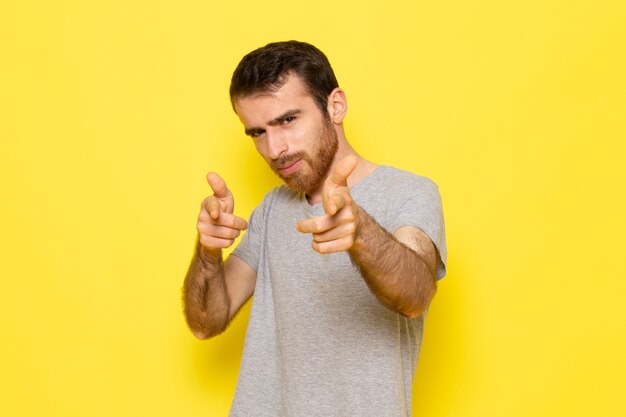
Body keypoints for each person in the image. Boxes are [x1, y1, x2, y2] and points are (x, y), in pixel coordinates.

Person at [183, 40, 447, 417]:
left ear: (335, 106)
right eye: (257, 132)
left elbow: (415, 296)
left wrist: (360, 233)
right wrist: (207, 252)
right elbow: (205, 323)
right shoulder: (272, 209)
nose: (274, 149)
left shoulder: (408, 192)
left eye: (287, 120)